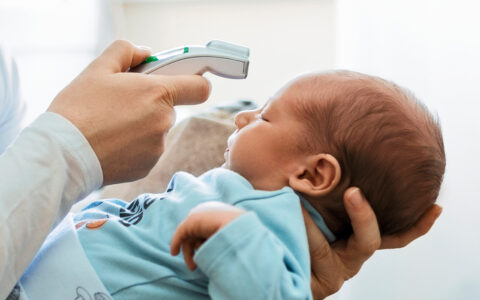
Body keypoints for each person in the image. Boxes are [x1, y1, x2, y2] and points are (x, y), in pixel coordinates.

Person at [14, 71, 444, 299]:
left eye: (265, 116)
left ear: (313, 175)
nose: (242, 118)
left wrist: (233, 236)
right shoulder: (249, 200)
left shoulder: (269, 228)